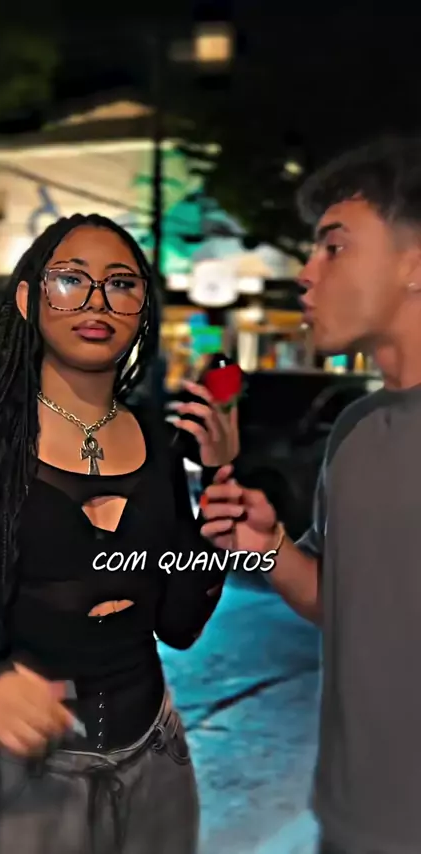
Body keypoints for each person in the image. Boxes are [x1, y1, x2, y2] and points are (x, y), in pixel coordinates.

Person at [0, 213, 238, 854]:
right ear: (29, 300)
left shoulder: (159, 448)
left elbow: (179, 626)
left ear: (143, 310)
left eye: (121, 284)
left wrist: (217, 497)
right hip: (21, 771)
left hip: (155, 760)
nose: (98, 301)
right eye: (72, 280)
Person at [200, 135, 421, 854]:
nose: (306, 272)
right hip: (351, 821)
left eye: (334, 247)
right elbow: (343, 605)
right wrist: (268, 547)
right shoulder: (355, 432)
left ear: (415, 263)